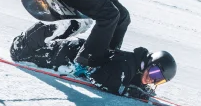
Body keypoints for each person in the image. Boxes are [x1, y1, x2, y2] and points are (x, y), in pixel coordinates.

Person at [10, 21, 177, 99]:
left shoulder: (135, 65)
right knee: (20, 55)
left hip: (73, 52)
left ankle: (68, 25)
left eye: (158, 80)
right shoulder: (127, 64)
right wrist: (126, 91)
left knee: (36, 51)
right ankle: (47, 27)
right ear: (150, 62)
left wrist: (141, 89)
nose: (152, 79)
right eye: (155, 72)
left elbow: (128, 79)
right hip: (65, 56)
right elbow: (99, 78)